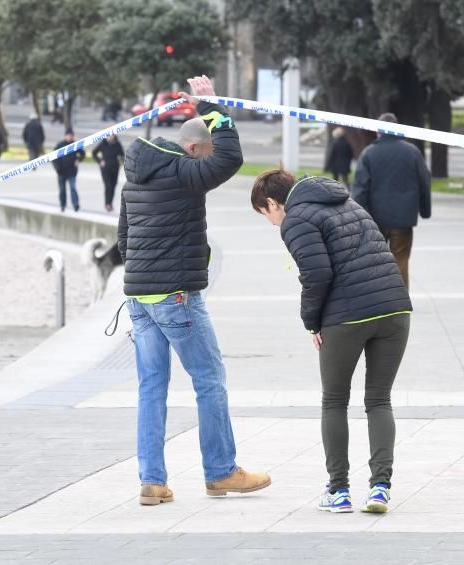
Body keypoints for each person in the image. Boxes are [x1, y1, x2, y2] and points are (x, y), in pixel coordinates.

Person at [118, 75, 271, 507]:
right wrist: (211, 108)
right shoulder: (185, 172)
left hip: (139, 298)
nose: (207, 163)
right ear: (192, 149)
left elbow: (124, 241)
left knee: (151, 387)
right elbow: (230, 158)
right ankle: (222, 472)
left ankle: (152, 480)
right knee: (209, 379)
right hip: (176, 296)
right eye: (204, 153)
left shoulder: (135, 178)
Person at [251, 169, 412, 514]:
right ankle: (380, 488)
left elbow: (317, 274)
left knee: (335, 401)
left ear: (271, 202)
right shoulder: (349, 203)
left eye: (266, 215)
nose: (272, 223)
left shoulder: (295, 220)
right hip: (395, 310)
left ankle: (338, 491)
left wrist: (311, 323)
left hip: (347, 317)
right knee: (379, 400)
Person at [351, 113, 431, 289]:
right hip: (403, 219)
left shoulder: (369, 153)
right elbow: (424, 182)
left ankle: (378, 298)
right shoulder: (412, 152)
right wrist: (425, 210)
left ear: (378, 131)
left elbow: (360, 189)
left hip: (374, 220)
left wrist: (358, 218)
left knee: (374, 260)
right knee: (400, 259)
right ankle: (400, 302)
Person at [52, 130, 85, 212]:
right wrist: (57, 168)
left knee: (73, 188)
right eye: (68, 135)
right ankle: (63, 205)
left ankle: (75, 204)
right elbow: (54, 158)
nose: (69, 137)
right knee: (62, 190)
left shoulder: (75, 145)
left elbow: (82, 154)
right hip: (61, 171)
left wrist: (78, 160)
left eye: (71, 136)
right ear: (65, 136)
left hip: (72, 171)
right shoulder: (60, 145)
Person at [91, 134, 124, 212]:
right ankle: (107, 203)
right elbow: (94, 153)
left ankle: (110, 203)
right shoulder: (103, 143)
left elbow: (122, 154)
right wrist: (100, 161)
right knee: (108, 185)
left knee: (113, 186)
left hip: (115, 168)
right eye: (109, 135)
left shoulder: (117, 144)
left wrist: (121, 161)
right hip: (105, 168)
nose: (110, 137)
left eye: (112, 135)